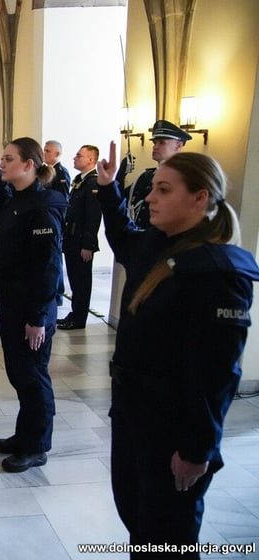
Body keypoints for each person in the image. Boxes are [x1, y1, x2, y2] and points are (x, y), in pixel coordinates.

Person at [95, 143, 259, 557]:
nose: (150, 195)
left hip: (172, 432)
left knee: (168, 537)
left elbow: (218, 374)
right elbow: (122, 241)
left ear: (199, 197)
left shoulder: (219, 273)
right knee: (139, 521)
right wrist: (109, 189)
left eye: (164, 190)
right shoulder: (159, 243)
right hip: (136, 415)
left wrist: (196, 448)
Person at [0, 138, 66, 473]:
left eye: (8, 159)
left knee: (33, 376)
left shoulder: (44, 206)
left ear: (29, 165)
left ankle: (36, 446)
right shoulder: (20, 198)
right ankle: (24, 435)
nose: (3, 163)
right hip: (13, 302)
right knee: (20, 373)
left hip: (33, 308)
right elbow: (9, 206)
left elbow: (47, 267)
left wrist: (37, 318)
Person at [58, 145, 101, 330]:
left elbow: (93, 216)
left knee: (82, 281)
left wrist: (88, 245)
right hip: (72, 238)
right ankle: (75, 313)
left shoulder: (93, 183)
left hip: (82, 240)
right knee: (75, 280)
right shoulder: (79, 180)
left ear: (91, 160)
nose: (75, 158)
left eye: (79, 155)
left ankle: (79, 318)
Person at [123, 119, 191, 228]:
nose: (155, 146)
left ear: (178, 145)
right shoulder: (145, 178)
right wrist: (118, 177)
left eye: (162, 142)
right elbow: (121, 202)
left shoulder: (185, 178)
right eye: (155, 142)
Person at [43, 140, 71, 305]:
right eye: (44, 150)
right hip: (46, 218)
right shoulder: (46, 171)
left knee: (55, 259)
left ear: (57, 154)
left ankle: (58, 293)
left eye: (48, 151)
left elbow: (62, 200)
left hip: (55, 220)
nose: (45, 153)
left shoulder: (61, 173)